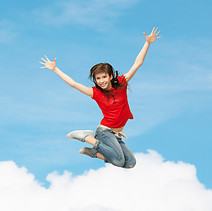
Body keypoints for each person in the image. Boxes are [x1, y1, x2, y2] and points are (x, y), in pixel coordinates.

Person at [40, 27, 161, 168]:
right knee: (118, 161)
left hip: (117, 134)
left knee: (130, 163)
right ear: (95, 80)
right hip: (105, 132)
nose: (102, 80)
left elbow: (137, 64)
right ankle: (86, 137)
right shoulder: (96, 93)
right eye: (98, 78)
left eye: (104, 77)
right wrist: (55, 69)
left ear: (110, 76)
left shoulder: (121, 83)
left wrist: (148, 43)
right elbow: (73, 84)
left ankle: (93, 153)